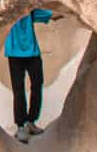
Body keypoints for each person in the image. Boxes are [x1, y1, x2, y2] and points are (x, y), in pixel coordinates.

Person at [5, 9, 63, 142]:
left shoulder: (30, 11)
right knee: (18, 90)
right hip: (14, 55)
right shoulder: (9, 10)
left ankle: (31, 121)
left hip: (33, 54)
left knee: (37, 86)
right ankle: (20, 126)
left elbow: (53, 15)